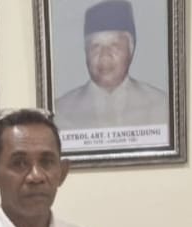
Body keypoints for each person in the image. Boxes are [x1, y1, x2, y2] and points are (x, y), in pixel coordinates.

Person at [52, 0, 169, 130]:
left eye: (115, 46)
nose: (104, 56)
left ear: (131, 50)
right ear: (85, 52)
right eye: (95, 46)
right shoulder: (60, 112)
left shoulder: (162, 107)